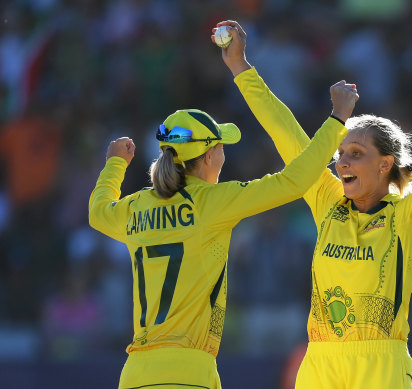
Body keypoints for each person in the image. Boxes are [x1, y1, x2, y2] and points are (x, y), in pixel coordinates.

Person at [216, 20, 412, 388]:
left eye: (356, 153)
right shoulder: (326, 198)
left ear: (385, 164)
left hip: (380, 362)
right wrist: (240, 67)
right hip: (319, 360)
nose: (342, 163)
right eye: (340, 155)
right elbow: (283, 130)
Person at [88, 85, 358, 386]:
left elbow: (97, 212)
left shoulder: (136, 207)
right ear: (208, 157)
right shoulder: (213, 202)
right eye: (220, 147)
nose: (223, 155)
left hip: (135, 373)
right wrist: (338, 119)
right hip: (189, 371)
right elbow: (294, 181)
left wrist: (114, 165)